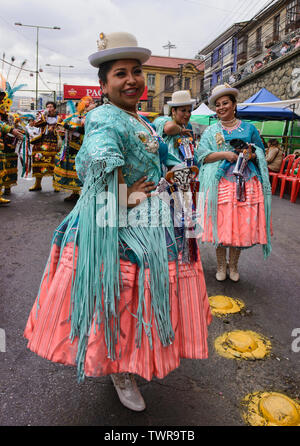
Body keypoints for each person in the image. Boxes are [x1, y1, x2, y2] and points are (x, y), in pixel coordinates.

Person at [24, 32, 212, 412]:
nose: (132, 80)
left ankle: (135, 357)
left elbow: (161, 153)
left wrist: (176, 170)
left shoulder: (139, 118)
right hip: (119, 227)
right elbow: (100, 155)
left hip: (155, 219)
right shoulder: (103, 118)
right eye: (120, 74)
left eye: (137, 72)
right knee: (122, 300)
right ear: (103, 84)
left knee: (144, 297)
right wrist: (126, 194)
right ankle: (120, 368)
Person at [196, 83, 272, 282]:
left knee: (239, 226)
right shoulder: (210, 131)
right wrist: (224, 154)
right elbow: (201, 156)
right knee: (222, 226)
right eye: (218, 105)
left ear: (234, 104)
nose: (221, 108)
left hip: (245, 183)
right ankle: (221, 265)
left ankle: (234, 265)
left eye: (225, 103)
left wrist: (250, 153)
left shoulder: (249, 128)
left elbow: (260, 152)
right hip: (220, 185)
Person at [53, 96, 96, 202]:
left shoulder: (94, 116)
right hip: (71, 146)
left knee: (85, 170)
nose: (90, 106)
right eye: (88, 104)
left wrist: (73, 129)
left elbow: (85, 129)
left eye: (91, 104)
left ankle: (87, 194)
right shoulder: (74, 115)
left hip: (86, 146)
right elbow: (62, 124)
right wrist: (63, 128)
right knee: (73, 168)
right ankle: (75, 193)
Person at [153, 90, 196, 170]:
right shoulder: (163, 120)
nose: (187, 114)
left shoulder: (188, 126)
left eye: (189, 111)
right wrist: (181, 130)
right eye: (183, 110)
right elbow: (169, 128)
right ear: (173, 111)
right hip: (165, 169)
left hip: (186, 169)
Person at [29, 101, 60, 192]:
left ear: (54, 108)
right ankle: (37, 184)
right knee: (39, 163)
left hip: (54, 144)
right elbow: (36, 124)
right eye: (47, 107)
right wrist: (42, 116)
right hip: (42, 143)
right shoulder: (42, 117)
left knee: (55, 164)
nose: (49, 108)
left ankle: (56, 185)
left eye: (51, 107)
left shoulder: (59, 118)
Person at [0, 88, 24, 203]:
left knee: (5, 168)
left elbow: (18, 128)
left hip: (9, 146)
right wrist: (11, 130)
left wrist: (19, 132)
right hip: (2, 145)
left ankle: (6, 188)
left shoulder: (11, 117)